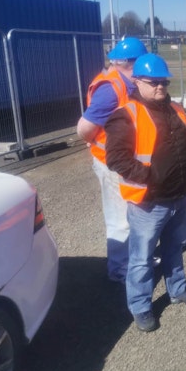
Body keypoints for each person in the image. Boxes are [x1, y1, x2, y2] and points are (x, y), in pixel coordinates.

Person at [105, 53, 186, 332]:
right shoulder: (125, 115)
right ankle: (140, 307)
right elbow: (116, 158)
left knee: (176, 247)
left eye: (163, 82)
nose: (160, 87)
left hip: (179, 195)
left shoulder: (176, 109)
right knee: (141, 258)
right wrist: (151, 177)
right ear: (137, 81)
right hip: (148, 202)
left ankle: (178, 289)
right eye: (153, 82)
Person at [76, 37, 147, 283]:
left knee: (132, 211)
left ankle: (134, 259)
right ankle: (120, 270)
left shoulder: (127, 83)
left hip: (124, 161)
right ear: (132, 63)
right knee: (119, 218)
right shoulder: (111, 89)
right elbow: (84, 127)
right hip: (110, 163)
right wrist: (92, 139)